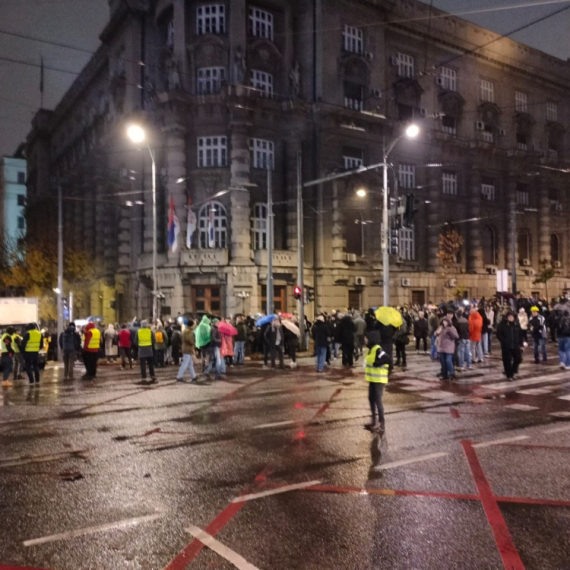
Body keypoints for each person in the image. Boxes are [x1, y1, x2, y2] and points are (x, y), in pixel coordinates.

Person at [364, 331, 392, 432]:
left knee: (378, 401)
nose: (365, 339)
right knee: (371, 399)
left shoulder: (377, 350)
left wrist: (377, 363)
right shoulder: (371, 350)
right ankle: (373, 421)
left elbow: (388, 359)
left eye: (366, 337)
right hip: (372, 379)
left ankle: (381, 423)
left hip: (379, 380)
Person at [496, 311, 523, 380]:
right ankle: (509, 375)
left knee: (518, 359)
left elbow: (520, 335)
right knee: (507, 361)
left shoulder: (516, 324)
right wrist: (503, 341)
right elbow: (498, 333)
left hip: (515, 345)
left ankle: (513, 371)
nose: (511, 318)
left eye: (512, 317)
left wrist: (521, 344)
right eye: (509, 317)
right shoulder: (503, 324)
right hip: (506, 346)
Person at [554, 299, 570, 370]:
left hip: (559, 333)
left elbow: (552, 325)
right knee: (568, 350)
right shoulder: (568, 315)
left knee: (561, 349)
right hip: (568, 334)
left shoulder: (556, 315)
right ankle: (568, 364)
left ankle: (562, 362)